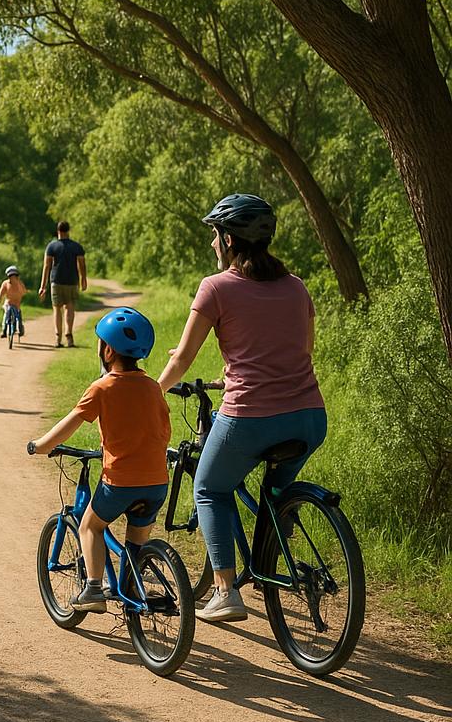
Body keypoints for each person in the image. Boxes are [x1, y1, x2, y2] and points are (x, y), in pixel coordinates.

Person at [157, 193, 327, 624]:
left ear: (229, 239)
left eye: (215, 235)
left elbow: (182, 359)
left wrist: (152, 394)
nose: (213, 243)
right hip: (309, 417)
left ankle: (225, 591)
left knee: (210, 488)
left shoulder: (216, 287)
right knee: (275, 493)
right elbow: (302, 350)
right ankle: (270, 561)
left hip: (250, 418)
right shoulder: (296, 286)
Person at [28, 307, 169, 611]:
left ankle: (93, 589)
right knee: (135, 543)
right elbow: (164, 431)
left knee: (90, 526)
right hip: (157, 482)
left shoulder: (102, 387)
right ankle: (131, 589)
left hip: (120, 483)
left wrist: (40, 445)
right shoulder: (153, 387)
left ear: (107, 350)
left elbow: (70, 424)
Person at [38, 220, 87, 347]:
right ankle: (69, 335)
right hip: (72, 281)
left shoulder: (51, 246)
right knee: (69, 307)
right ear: (68, 231)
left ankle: (58, 338)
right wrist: (83, 279)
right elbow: (82, 264)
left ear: (58, 231)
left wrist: (43, 286)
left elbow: (46, 266)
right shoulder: (76, 246)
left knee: (57, 308)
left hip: (56, 281)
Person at [0, 265, 28, 338]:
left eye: (14, 276)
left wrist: (19, 286)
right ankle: (4, 330)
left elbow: (24, 292)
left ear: (17, 276)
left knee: (19, 317)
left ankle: (20, 329)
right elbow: (0, 293)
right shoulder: (5, 283)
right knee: (6, 315)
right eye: (10, 276)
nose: (12, 278)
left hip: (17, 305)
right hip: (8, 304)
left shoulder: (20, 283)